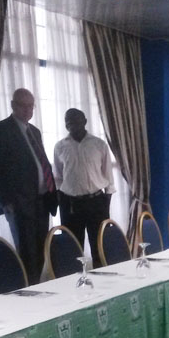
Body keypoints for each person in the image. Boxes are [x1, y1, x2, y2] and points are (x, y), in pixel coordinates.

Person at [0, 88, 57, 283]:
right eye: (23, 106)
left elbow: (40, 163)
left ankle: (38, 287)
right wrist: (6, 201)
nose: (27, 110)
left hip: (42, 201)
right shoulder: (1, 130)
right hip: (19, 204)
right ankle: (30, 291)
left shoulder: (34, 131)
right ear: (13, 105)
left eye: (31, 106)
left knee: (40, 252)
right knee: (27, 254)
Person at [53, 108, 115, 264]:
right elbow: (58, 177)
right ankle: (77, 276)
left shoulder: (99, 144)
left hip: (96, 201)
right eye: (68, 122)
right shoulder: (60, 146)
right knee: (73, 248)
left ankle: (102, 276)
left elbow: (108, 176)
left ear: (85, 121)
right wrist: (62, 198)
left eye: (76, 121)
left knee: (100, 246)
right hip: (70, 204)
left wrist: (106, 202)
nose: (71, 125)